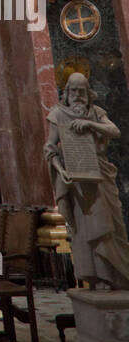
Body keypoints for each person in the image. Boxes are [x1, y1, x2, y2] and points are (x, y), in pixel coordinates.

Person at [44, 73, 129, 290]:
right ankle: (96, 277)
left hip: (100, 174)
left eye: (82, 91)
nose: (78, 96)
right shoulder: (58, 114)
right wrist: (60, 170)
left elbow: (115, 131)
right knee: (85, 228)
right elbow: (50, 149)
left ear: (88, 92)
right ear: (67, 92)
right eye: (73, 91)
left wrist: (91, 125)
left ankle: (113, 275)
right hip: (77, 181)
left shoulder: (97, 113)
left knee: (108, 224)